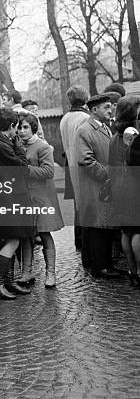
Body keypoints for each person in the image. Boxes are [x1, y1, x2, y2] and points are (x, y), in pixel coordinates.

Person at [0, 107, 34, 300]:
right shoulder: (1, 146)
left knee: (13, 240)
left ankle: (8, 281)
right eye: (16, 128)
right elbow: (23, 166)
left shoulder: (0, 142)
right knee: (13, 240)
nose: (18, 132)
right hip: (8, 200)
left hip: (7, 198)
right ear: (11, 126)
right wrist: (19, 146)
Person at [16, 112, 64, 288]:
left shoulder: (42, 146)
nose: (22, 131)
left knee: (44, 234)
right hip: (26, 198)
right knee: (26, 236)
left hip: (42, 198)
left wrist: (25, 169)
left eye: (26, 127)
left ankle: (50, 273)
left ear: (33, 128)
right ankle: (26, 272)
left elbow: (48, 172)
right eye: (19, 127)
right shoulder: (18, 145)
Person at [74, 93, 118, 279]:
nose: (110, 110)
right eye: (106, 107)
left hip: (103, 188)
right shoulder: (85, 130)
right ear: (94, 110)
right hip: (95, 187)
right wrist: (110, 175)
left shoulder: (105, 128)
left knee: (104, 226)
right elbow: (86, 161)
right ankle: (99, 267)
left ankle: (105, 264)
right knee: (97, 229)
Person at [108, 96, 140, 287]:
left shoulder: (113, 138)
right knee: (138, 231)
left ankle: (130, 269)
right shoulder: (134, 135)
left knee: (126, 231)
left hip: (118, 188)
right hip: (134, 188)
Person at [59, 85, 90, 251]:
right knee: (86, 205)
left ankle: (79, 240)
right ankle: (86, 243)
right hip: (81, 165)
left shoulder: (65, 118)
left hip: (70, 164)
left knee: (78, 205)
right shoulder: (85, 118)